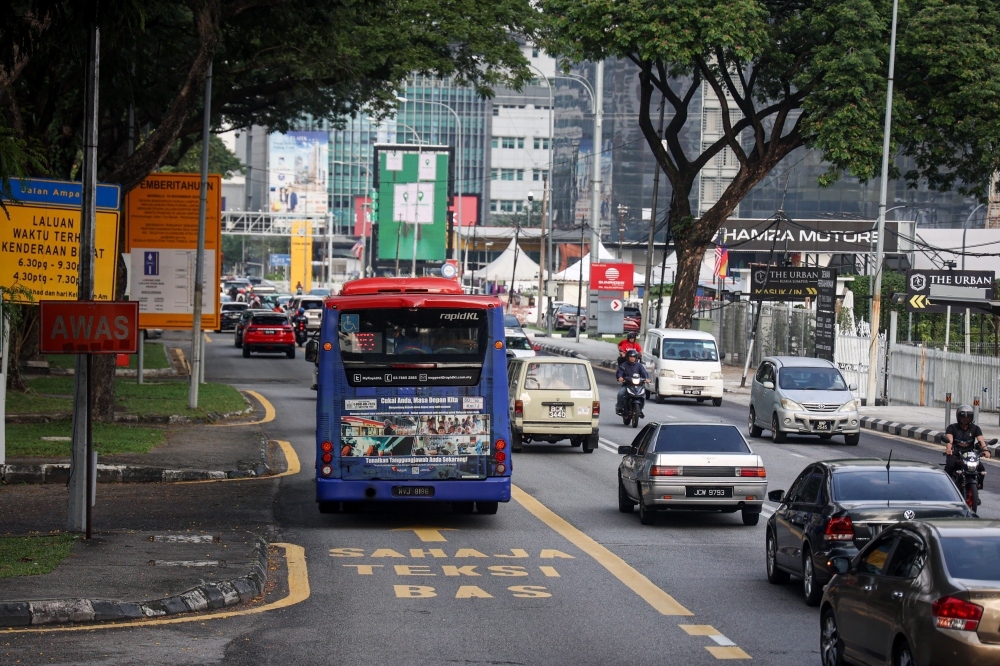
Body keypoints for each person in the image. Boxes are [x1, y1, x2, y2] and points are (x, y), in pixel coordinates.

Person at [944, 404, 990, 487]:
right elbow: (949, 441)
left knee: (981, 469)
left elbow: (981, 441)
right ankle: (946, 486)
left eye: (968, 417)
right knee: (950, 465)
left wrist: (985, 450)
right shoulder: (952, 428)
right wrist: (949, 449)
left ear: (971, 417)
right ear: (958, 417)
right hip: (955, 454)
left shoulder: (975, 428)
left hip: (969, 455)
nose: (965, 419)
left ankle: (978, 485)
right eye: (963, 417)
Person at [615, 349, 649, 416]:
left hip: (638, 385)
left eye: (633, 357)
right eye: (630, 357)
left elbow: (644, 373)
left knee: (643, 396)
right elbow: (620, 372)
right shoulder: (624, 365)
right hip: (627, 384)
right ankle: (619, 408)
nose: (632, 359)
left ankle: (640, 410)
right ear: (628, 357)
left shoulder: (639, 365)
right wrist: (620, 377)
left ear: (636, 358)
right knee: (620, 393)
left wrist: (646, 379)